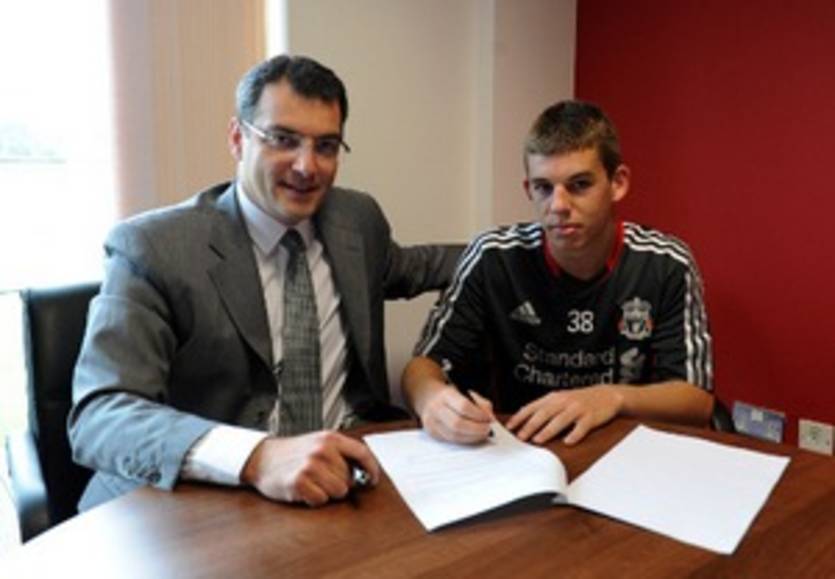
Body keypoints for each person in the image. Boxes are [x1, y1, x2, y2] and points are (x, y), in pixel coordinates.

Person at [69, 55, 462, 509]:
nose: (306, 166)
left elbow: (418, 266)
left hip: (342, 480)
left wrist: (526, 245)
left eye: (326, 146)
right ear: (238, 139)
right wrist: (255, 457)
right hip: (209, 499)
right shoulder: (155, 249)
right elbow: (101, 415)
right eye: (283, 140)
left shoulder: (356, 220)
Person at [403, 100, 714, 446]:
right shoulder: (492, 257)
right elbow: (422, 367)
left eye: (579, 184)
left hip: (622, 452)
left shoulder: (666, 263)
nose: (558, 205)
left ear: (618, 183)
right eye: (543, 187)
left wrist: (611, 397)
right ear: (528, 189)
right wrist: (431, 399)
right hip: (517, 449)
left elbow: (696, 400)